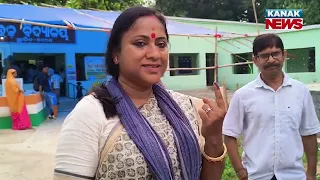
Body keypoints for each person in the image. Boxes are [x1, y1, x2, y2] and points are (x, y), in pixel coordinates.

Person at [54, 6, 227, 180]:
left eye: (161, 44)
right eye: (140, 43)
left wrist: (213, 138)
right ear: (116, 54)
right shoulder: (90, 114)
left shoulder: (186, 107)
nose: (154, 54)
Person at [223, 33, 320, 180]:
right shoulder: (242, 95)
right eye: (264, 56)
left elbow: (309, 133)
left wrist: (311, 174)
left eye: (275, 54)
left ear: (284, 55)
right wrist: (240, 172)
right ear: (255, 60)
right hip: (257, 176)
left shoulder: (300, 91)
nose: (271, 60)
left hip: (293, 175)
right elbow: (230, 135)